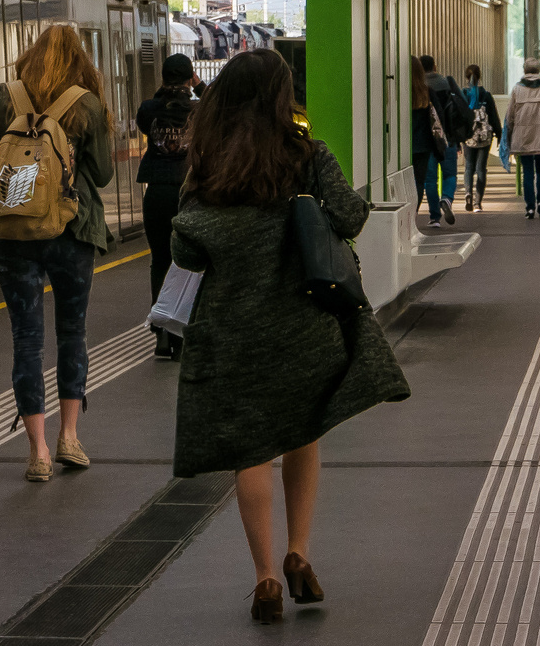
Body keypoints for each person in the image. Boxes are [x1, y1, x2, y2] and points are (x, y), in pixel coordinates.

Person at [168, 48, 411, 624]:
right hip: (304, 322)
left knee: (251, 450)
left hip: (233, 329)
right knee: (303, 430)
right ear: (280, 99)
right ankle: (299, 552)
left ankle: (266, 580)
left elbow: (184, 250)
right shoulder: (306, 154)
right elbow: (350, 218)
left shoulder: (206, 166)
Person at [0, 25, 114, 482]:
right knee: (71, 335)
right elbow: (101, 176)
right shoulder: (85, 102)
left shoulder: (6, 95)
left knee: (27, 340)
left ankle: (37, 451)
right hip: (72, 232)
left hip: (12, 235)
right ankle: (69, 438)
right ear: (79, 60)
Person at [137, 53, 199, 359]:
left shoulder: (149, 109)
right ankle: (180, 333)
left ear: (163, 78)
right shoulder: (198, 109)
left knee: (159, 260)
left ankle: (160, 332)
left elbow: (145, 124)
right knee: (187, 263)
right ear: (190, 78)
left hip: (158, 191)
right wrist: (198, 85)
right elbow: (218, 102)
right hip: (189, 193)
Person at [503, 60, 540, 219]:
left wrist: (509, 134)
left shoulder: (516, 89)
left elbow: (510, 116)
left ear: (524, 70)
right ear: (538, 70)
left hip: (523, 136)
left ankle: (529, 208)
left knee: (527, 172)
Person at [419, 55, 464, 221]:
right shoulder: (447, 84)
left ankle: (434, 217)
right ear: (435, 67)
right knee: (449, 174)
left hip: (427, 140)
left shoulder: (418, 88)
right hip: (447, 138)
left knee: (430, 180)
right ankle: (446, 199)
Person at [408, 54, 448, 227]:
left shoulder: (401, 93)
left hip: (404, 146)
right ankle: (413, 215)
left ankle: (406, 215)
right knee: (419, 181)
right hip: (424, 145)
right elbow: (439, 118)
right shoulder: (427, 92)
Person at [458, 64, 502, 212]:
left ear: (466, 77)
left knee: (469, 167)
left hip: (469, 137)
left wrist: (457, 138)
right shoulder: (486, 95)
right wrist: (500, 135)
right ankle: (478, 203)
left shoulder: (463, 94)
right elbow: (494, 118)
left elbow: (458, 117)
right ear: (479, 77)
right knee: (481, 169)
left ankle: (468, 193)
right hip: (484, 137)